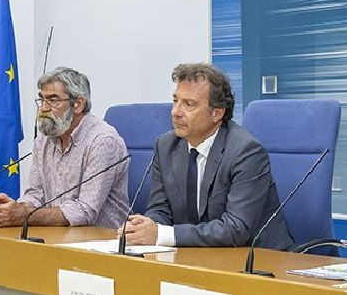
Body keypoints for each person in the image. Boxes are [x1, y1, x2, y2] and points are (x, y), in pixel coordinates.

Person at [122, 63, 292, 249]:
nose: (175, 112)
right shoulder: (166, 146)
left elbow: (236, 229)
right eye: (175, 101)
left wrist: (162, 234)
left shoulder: (245, 151)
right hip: (199, 254)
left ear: (217, 113)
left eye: (189, 104)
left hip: (257, 257)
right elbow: (161, 210)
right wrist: (145, 227)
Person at [0, 67, 129, 229]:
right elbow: (35, 195)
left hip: (101, 238)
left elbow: (85, 211)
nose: (43, 108)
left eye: (53, 100)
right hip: (57, 235)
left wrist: (24, 215)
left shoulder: (102, 141)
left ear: (78, 104)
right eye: (41, 99)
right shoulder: (44, 139)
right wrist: (11, 210)